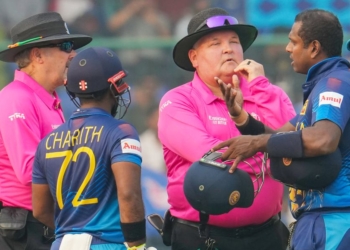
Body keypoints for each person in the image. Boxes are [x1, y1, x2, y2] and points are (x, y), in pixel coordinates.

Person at [157, 7, 296, 250]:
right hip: (201, 238)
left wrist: (262, 87)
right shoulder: (177, 101)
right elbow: (212, 159)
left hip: (268, 236)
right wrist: (275, 154)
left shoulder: (268, 93)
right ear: (194, 58)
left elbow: (295, 146)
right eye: (215, 43)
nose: (228, 48)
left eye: (234, 42)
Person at [212, 9, 350, 250]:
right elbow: (282, 136)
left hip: (335, 220)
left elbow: (323, 139)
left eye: (293, 42)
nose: (287, 48)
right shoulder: (325, 84)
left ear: (314, 48)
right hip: (321, 218)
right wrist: (240, 117)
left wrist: (255, 144)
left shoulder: (335, 84)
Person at [31, 47, 153, 250]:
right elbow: (129, 195)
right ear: (114, 86)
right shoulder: (121, 131)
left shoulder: (46, 142)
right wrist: (137, 246)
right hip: (107, 245)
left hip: (61, 245)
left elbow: (40, 211)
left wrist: (73, 233)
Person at [0, 12, 91, 250]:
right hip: (21, 233)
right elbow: (29, 170)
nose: (73, 54)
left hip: (42, 227)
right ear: (37, 55)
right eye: (66, 46)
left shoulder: (47, 99)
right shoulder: (17, 98)